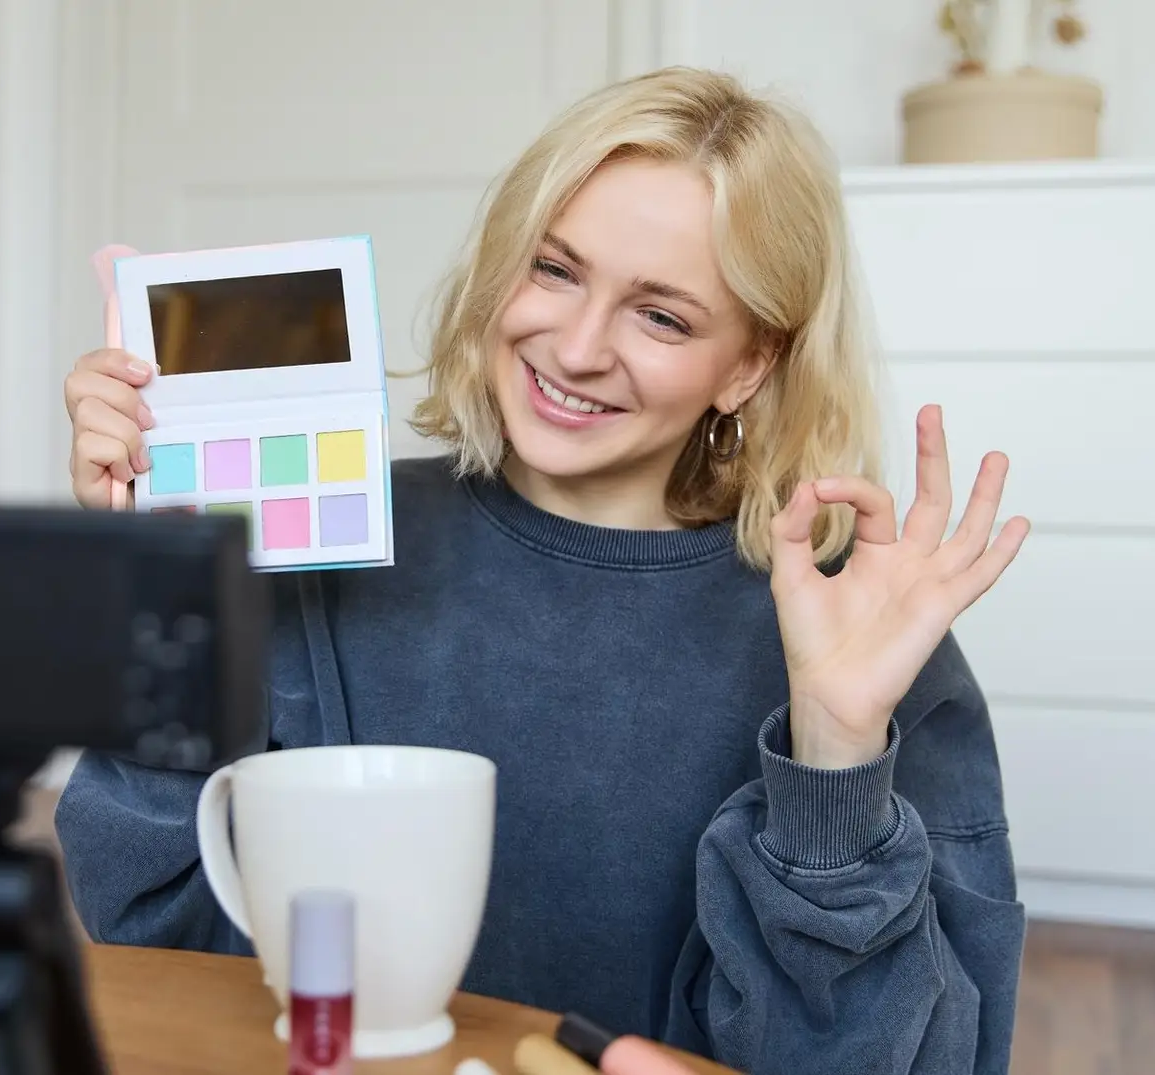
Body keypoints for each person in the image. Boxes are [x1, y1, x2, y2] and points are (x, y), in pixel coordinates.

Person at [55, 66, 1030, 1075]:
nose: (575, 347)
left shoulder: (856, 627)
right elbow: (151, 934)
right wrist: (166, 588)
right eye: (555, 269)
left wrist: (834, 756)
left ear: (750, 364)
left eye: (663, 316)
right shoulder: (309, 549)